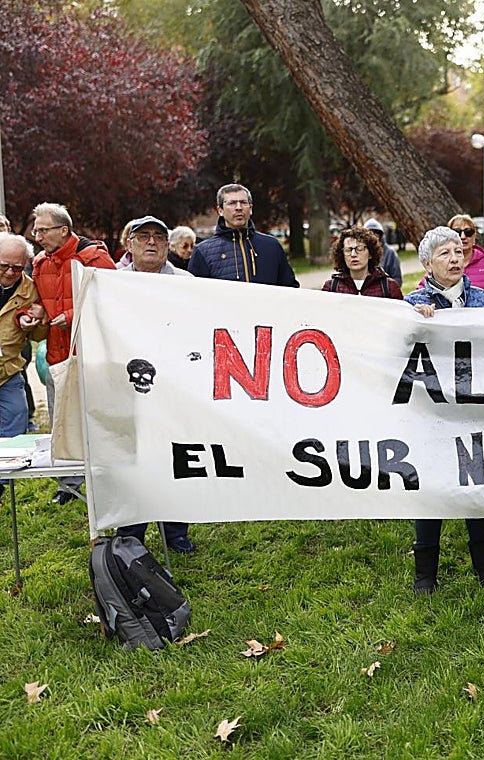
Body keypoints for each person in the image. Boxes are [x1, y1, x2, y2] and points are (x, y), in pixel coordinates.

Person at [404, 227, 484, 594]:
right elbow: (400, 353)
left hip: (473, 407)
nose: (454, 259)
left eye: (458, 252)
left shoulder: (483, 300)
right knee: (431, 486)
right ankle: (425, 574)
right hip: (432, 411)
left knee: (475, 483)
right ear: (427, 264)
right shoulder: (412, 303)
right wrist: (415, 323)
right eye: (444, 254)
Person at [115, 216, 196, 552]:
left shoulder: (186, 282)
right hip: (127, 384)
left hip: (174, 384)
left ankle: (175, 532)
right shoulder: (110, 281)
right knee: (132, 458)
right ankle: (130, 532)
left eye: (159, 237)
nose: (151, 242)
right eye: (143, 236)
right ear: (129, 244)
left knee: (174, 456)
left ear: (167, 244)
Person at [32, 203, 117, 503]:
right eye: (36, 231)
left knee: (100, 418)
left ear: (63, 230)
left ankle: (106, 478)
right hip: (58, 356)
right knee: (63, 422)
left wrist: (70, 315)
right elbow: (39, 300)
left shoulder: (94, 257)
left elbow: (111, 297)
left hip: (94, 354)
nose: (37, 236)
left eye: (43, 230)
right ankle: (68, 484)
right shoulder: (39, 263)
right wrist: (34, 312)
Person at [0, 233, 46, 502]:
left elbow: (40, 335)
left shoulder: (29, 290)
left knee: (17, 417)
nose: (10, 272)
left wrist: (36, 321)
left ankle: (2, 481)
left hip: (8, 371)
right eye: (4, 266)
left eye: (17, 267)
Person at [188, 183, 298, 286]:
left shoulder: (272, 246)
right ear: (220, 210)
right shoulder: (203, 252)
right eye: (232, 203)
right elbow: (194, 294)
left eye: (243, 202)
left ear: (250, 209)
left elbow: (290, 288)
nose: (238, 207)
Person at [432, 213, 484, 300]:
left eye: (468, 232)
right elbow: (422, 293)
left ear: (474, 236)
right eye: (457, 232)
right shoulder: (438, 263)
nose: (463, 236)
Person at [321, 226, 403, 298]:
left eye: (359, 249)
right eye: (348, 250)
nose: (353, 254)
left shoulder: (389, 287)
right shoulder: (331, 288)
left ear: (370, 253)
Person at [363, 218, 403, 283]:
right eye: (369, 233)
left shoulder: (390, 253)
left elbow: (397, 279)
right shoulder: (360, 252)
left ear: (380, 235)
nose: (372, 236)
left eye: (375, 233)